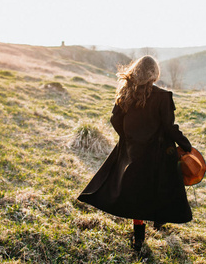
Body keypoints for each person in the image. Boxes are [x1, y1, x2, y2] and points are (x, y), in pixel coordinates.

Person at [77, 55, 192, 251]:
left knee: (136, 194)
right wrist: (186, 145)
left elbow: (115, 120)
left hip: (133, 153)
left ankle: (138, 240)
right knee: (162, 185)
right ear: (154, 74)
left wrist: (129, 138)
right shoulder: (163, 96)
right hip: (159, 153)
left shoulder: (125, 94)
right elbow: (169, 127)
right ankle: (158, 220)